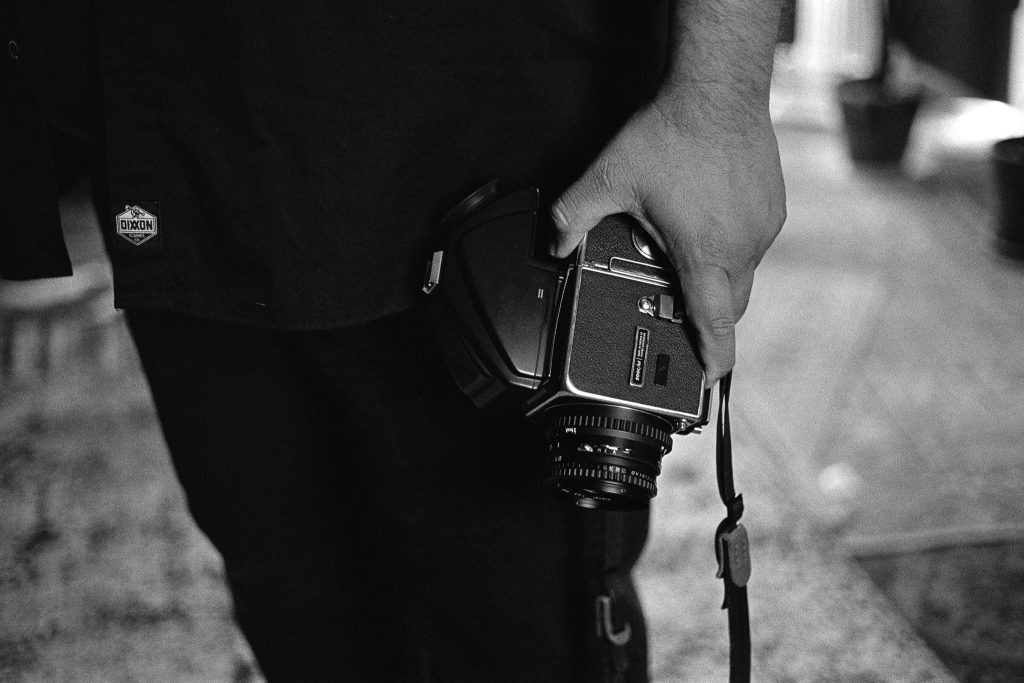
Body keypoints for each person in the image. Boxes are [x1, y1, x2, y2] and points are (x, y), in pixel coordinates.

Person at [2, 0, 786, 680]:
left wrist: (718, 102)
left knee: (521, 635)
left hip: (493, 145)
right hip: (182, 148)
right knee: (299, 613)